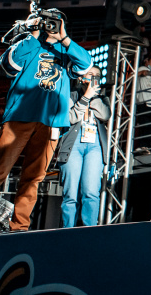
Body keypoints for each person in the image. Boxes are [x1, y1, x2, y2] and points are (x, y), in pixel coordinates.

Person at [0, 11, 92, 236]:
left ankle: (19, 228)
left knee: (33, 178)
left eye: (56, 22)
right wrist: (33, 33)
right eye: (48, 21)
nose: (51, 25)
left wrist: (65, 38)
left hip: (51, 122)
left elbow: (85, 64)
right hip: (19, 118)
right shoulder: (29, 43)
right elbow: (10, 63)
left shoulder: (66, 51)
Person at [55, 72, 111, 227]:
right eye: (90, 74)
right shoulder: (70, 95)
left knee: (91, 192)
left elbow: (105, 115)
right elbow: (71, 117)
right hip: (73, 144)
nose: (93, 77)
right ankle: (68, 230)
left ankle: (89, 230)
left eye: (97, 75)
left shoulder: (102, 98)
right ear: (81, 77)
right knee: (70, 194)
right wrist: (85, 97)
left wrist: (93, 96)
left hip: (95, 145)